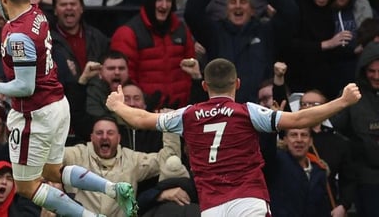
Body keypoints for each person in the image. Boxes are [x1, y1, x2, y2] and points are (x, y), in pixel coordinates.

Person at [105, 58, 361, 215]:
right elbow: (298, 119)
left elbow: (142, 119)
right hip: (248, 199)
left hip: (212, 205)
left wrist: (118, 105)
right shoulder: (248, 112)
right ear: (237, 84)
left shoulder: (187, 115)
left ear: (204, 86)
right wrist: (342, 101)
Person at [0, 0, 138, 217]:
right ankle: (114, 188)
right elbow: (10, 11)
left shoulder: (19, 37)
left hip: (34, 113)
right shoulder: (36, 13)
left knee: (27, 187)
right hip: (57, 105)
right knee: (52, 171)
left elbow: (25, 87)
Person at [184, 0, 299, 103]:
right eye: (233, 2)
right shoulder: (214, 33)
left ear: (252, 10)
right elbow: (192, 13)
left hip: (260, 108)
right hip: (225, 108)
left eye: (243, 2)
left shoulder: (267, 32)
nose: (238, 6)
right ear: (227, 10)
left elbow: (291, 13)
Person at [63, 116, 181, 217]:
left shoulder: (132, 160)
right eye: (99, 133)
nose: (104, 137)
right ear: (91, 137)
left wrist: (168, 123)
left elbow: (169, 159)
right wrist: (52, 184)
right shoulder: (76, 155)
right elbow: (48, 158)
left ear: (119, 138)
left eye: (110, 133)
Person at [110, 0, 195, 108]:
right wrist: (146, 105)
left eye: (169, 0)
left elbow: (191, 71)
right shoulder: (128, 33)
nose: (164, 5)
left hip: (179, 111)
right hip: (143, 112)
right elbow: (125, 78)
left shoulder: (181, 30)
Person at [330, 42, 379, 217]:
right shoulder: (352, 94)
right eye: (371, 71)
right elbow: (332, 126)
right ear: (363, 70)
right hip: (364, 178)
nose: (376, 76)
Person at [51, 0, 109, 87]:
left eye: (73, 4)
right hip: (65, 95)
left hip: (95, 93)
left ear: (81, 8)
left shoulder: (97, 37)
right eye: (63, 4)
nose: (69, 7)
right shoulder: (47, 41)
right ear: (55, 10)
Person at [266, 128, 331, 217]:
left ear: (311, 141)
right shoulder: (276, 162)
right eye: (294, 135)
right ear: (285, 140)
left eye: (304, 135)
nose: (299, 140)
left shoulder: (319, 171)